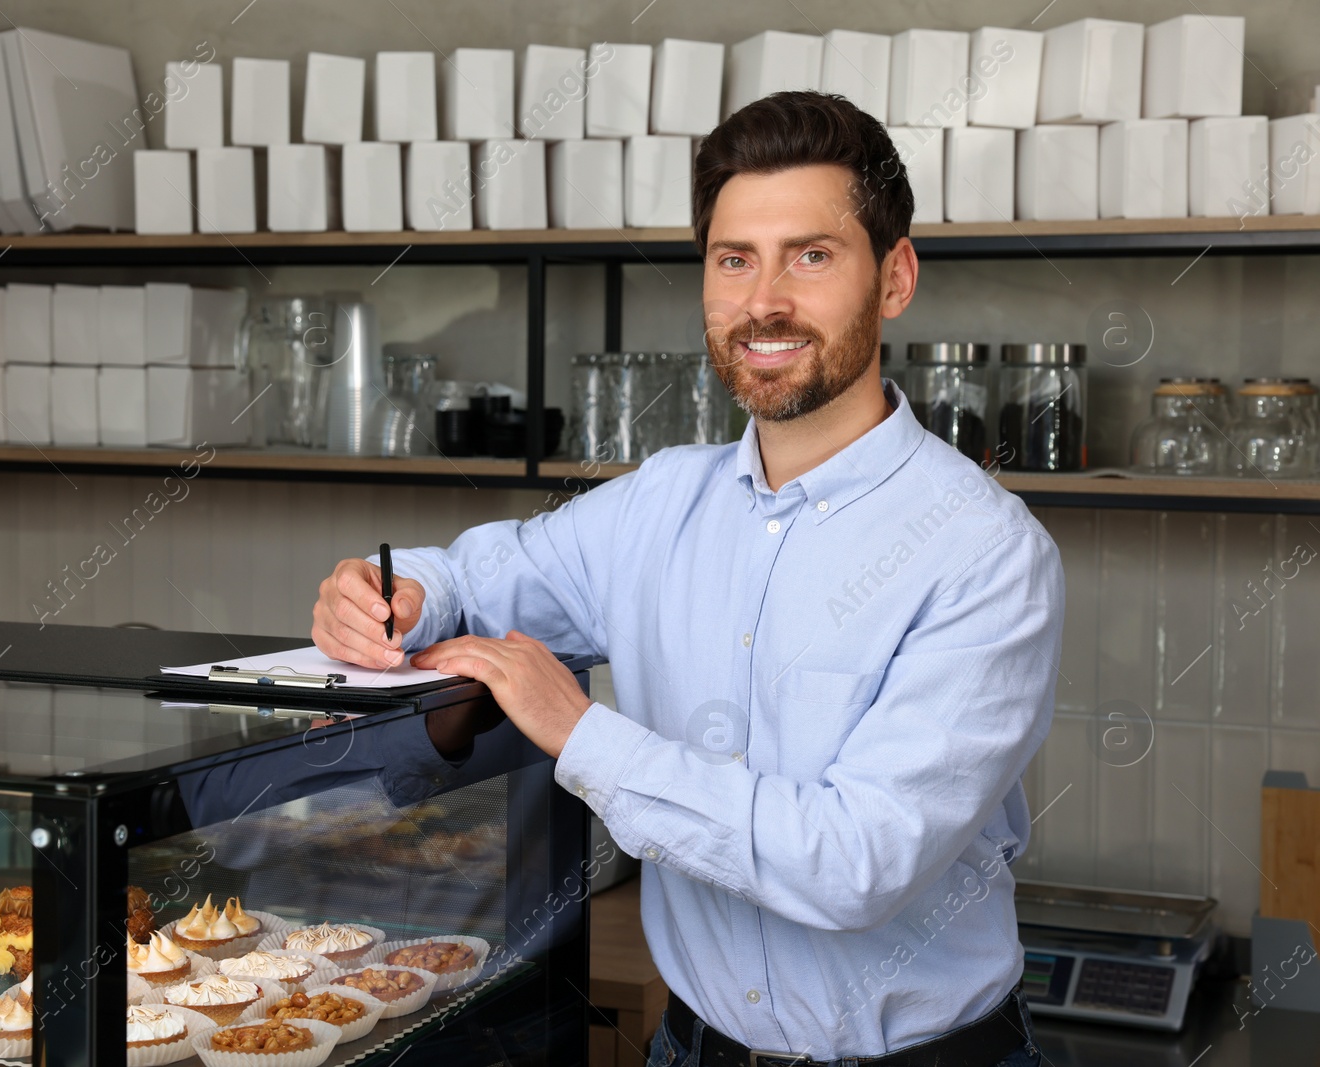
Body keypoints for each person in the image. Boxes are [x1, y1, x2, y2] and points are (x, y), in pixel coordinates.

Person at [312, 91, 1061, 1067]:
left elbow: (854, 863)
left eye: (813, 254)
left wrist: (580, 732)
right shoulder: (656, 502)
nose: (764, 301)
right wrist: (387, 590)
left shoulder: (985, 551)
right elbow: (465, 577)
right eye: (733, 258)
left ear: (895, 275)